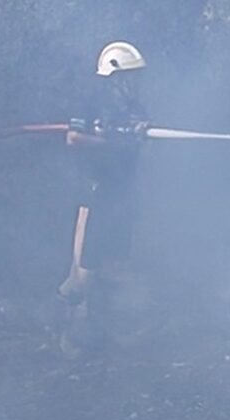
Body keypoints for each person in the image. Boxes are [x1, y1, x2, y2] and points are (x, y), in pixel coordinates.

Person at [57, 41, 149, 356]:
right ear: (114, 76)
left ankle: (102, 330)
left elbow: (135, 143)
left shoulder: (135, 109)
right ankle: (70, 334)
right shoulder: (90, 101)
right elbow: (73, 138)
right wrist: (111, 142)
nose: (136, 83)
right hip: (94, 192)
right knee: (84, 270)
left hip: (121, 195)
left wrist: (137, 133)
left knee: (113, 264)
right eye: (131, 77)